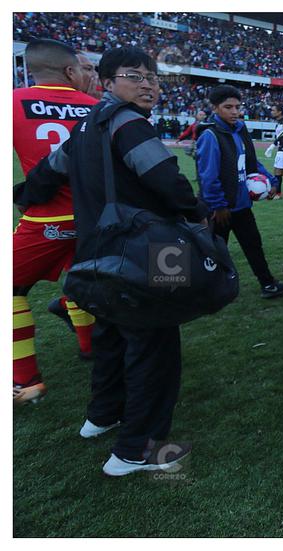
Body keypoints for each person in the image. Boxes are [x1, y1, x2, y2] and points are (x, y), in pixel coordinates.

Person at [21, 46, 209, 475]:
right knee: (154, 346)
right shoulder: (129, 124)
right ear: (107, 82)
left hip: (96, 255)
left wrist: (24, 199)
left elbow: (45, 175)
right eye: (135, 76)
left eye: (153, 77)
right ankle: (134, 451)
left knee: (110, 338)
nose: (148, 84)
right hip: (146, 253)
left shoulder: (86, 125)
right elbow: (169, 183)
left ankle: (102, 416)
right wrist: (198, 212)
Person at [11, 38, 99, 404]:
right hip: (94, 222)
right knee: (78, 282)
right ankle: (91, 347)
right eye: (82, 69)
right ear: (69, 71)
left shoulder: (13, 102)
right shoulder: (97, 108)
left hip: (45, 221)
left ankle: (24, 380)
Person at [196, 85, 283, 299]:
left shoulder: (239, 130)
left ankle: (268, 285)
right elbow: (208, 177)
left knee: (254, 247)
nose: (234, 112)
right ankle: (206, 291)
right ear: (215, 108)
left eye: (237, 107)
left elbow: (250, 162)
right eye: (228, 107)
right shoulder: (210, 135)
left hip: (241, 205)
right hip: (220, 209)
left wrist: (271, 180)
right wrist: (218, 205)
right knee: (212, 252)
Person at [266, 103, 283, 199]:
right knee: (282, 172)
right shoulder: (279, 123)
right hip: (281, 149)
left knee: (277, 171)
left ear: (279, 112)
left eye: (273, 110)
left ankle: (278, 193)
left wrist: (272, 146)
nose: (271, 112)